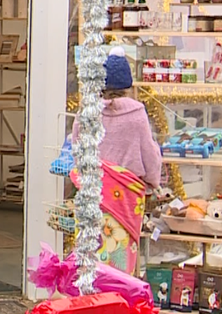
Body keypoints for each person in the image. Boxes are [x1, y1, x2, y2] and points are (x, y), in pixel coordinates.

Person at [69, 47, 162, 273]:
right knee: (121, 255)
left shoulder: (87, 112)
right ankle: (118, 299)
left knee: (90, 252)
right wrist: (153, 181)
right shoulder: (136, 113)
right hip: (127, 196)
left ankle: (89, 300)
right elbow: (149, 153)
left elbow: (76, 146)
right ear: (128, 87)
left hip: (93, 190)